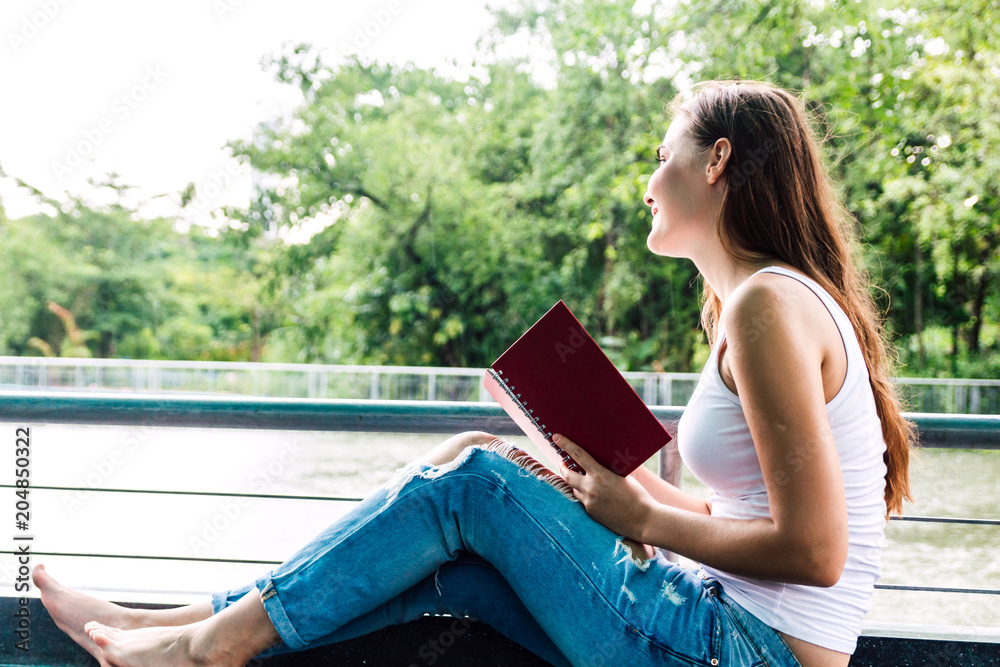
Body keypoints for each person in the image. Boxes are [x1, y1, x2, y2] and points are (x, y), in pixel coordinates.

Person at [33, 79, 913, 667]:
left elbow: (815, 551)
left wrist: (641, 513)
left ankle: (203, 647)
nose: (649, 181)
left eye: (664, 153)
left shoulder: (768, 306)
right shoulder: (761, 306)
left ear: (716, 162)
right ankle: (175, 624)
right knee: (472, 483)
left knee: (473, 479)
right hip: (723, 620)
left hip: (745, 648)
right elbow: (739, 517)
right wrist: (607, 490)